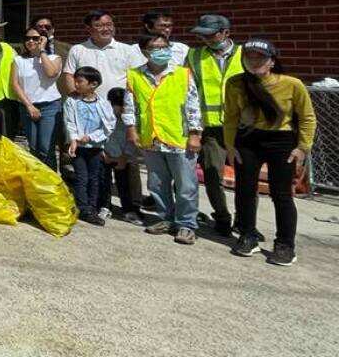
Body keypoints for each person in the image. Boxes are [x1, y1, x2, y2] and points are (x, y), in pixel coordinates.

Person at [225, 39, 315, 266]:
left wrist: (302, 147)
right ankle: (248, 235)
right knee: (245, 190)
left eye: (260, 58)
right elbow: (231, 117)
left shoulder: (292, 84)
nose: (254, 62)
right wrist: (230, 146)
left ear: (272, 61)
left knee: (281, 194)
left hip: (281, 141)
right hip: (248, 140)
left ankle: (285, 245)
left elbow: (307, 117)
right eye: (249, 58)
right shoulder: (235, 83)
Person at [123, 34, 203, 245]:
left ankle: (186, 224)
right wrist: (131, 129)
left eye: (164, 46)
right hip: (151, 138)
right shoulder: (134, 75)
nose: (161, 51)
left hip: (180, 138)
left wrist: (195, 133)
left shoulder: (182, 74)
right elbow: (131, 106)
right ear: (145, 51)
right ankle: (166, 218)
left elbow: (193, 106)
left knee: (186, 185)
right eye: (155, 47)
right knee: (157, 183)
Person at [62, 10, 146, 206]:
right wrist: (77, 102)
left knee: (126, 160)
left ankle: (131, 206)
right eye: (99, 25)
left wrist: (122, 106)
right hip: (90, 115)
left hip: (120, 112)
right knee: (99, 160)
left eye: (109, 24)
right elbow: (68, 76)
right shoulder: (78, 50)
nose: (106, 28)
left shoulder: (127, 50)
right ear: (89, 29)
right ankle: (102, 204)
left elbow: (137, 80)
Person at [186, 14, 241, 236]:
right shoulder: (195, 56)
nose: (206, 39)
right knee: (212, 174)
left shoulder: (244, 54)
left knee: (246, 178)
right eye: (202, 35)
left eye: (210, 34)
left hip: (241, 127)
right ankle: (222, 216)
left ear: (226, 33)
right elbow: (189, 91)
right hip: (210, 128)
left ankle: (246, 221)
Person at [63, 66, 114, 226]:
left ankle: (92, 207)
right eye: (75, 81)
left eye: (80, 81)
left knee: (95, 178)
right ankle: (83, 208)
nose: (76, 85)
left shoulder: (103, 104)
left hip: (95, 147)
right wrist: (74, 139)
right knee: (81, 177)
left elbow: (109, 125)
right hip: (78, 147)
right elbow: (70, 122)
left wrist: (91, 137)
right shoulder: (72, 102)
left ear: (93, 84)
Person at [10, 26, 63, 171]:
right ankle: (37, 182)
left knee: (47, 149)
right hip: (28, 107)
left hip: (50, 107)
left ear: (43, 39)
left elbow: (51, 73)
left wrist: (42, 51)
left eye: (36, 38)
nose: (31, 41)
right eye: (27, 38)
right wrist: (29, 106)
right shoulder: (18, 60)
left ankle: (52, 185)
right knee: (33, 148)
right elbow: (15, 84)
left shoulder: (54, 58)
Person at [100, 88, 143, 226]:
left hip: (124, 157)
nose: (123, 110)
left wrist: (124, 157)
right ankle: (104, 205)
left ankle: (130, 209)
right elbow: (98, 136)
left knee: (126, 181)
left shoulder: (131, 120)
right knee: (103, 180)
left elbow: (133, 141)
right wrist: (103, 153)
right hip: (105, 154)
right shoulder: (103, 115)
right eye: (120, 107)